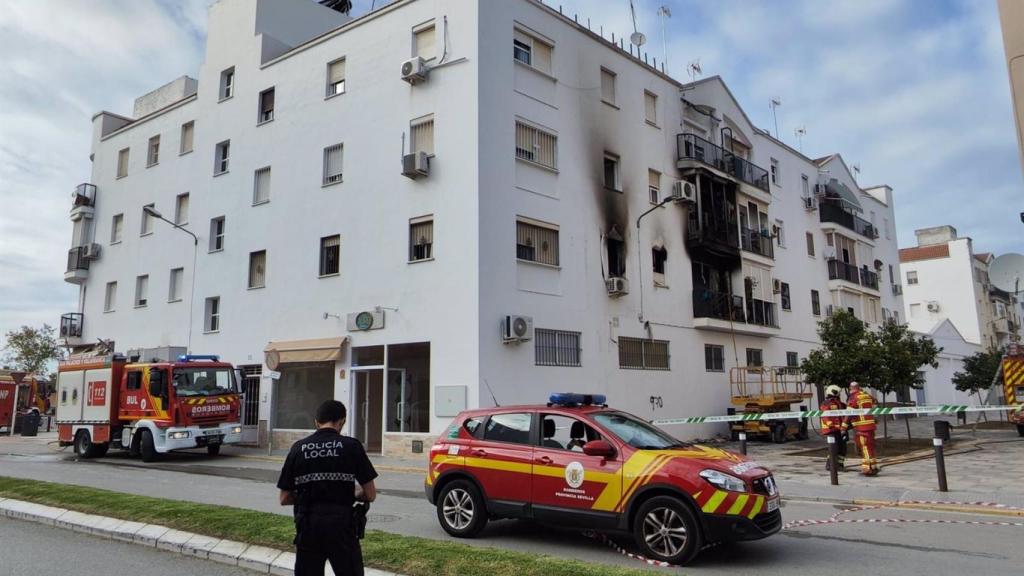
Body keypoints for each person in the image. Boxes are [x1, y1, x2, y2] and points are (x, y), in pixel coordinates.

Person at [277, 400, 378, 576]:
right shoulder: (352, 446)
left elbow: (284, 498)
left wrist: (306, 496)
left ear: (316, 422)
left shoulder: (298, 448)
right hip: (342, 527)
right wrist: (353, 493)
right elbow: (370, 494)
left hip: (308, 526)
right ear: (342, 422)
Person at [846, 381, 879, 476]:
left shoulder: (853, 397)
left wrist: (844, 426)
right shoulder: (867, 395)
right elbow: (875, 402)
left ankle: (867, 468)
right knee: (870, 446)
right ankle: (873, 466)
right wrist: (874, 417)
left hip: (861, 427)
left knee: (864, 447)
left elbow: (849, 413)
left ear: (851, 388)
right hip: (871, 426)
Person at [819, 385, 848, 472]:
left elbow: (847, 413)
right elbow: (825, 415)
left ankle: (839, 464)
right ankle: (830, 465)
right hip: (831, 430)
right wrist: (830, 424)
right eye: (838, 393)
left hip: (840, 429)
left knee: (842, 448)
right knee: (834, 447)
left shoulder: (840, 404)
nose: (839, 394)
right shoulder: (826, 403)